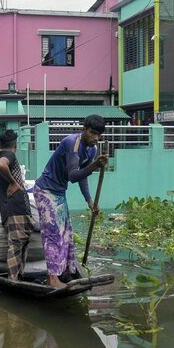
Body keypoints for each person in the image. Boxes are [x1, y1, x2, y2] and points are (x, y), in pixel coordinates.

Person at [32, 115, 107, 289]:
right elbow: (73, 176)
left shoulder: (91, 150)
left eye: (98, 135)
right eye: (92, 133)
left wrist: (89, 201)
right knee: (53, 234)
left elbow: (83, 177)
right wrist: (95, 166)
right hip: (45, 190)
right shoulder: (71, 143)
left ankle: (64, 272)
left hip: (59, 192)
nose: (95, 138)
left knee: (66, 233)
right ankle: (52, 279)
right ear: (84, 130)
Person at [0, 130, 34, 281]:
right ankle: (13, 280)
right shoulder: (9, 156)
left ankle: (18, 276)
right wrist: (13, 183)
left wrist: (4, 186)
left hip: (8, 208)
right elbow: (2, 165)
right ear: (15, 145)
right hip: (17, 207)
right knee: (16, 244)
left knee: (21, 242)